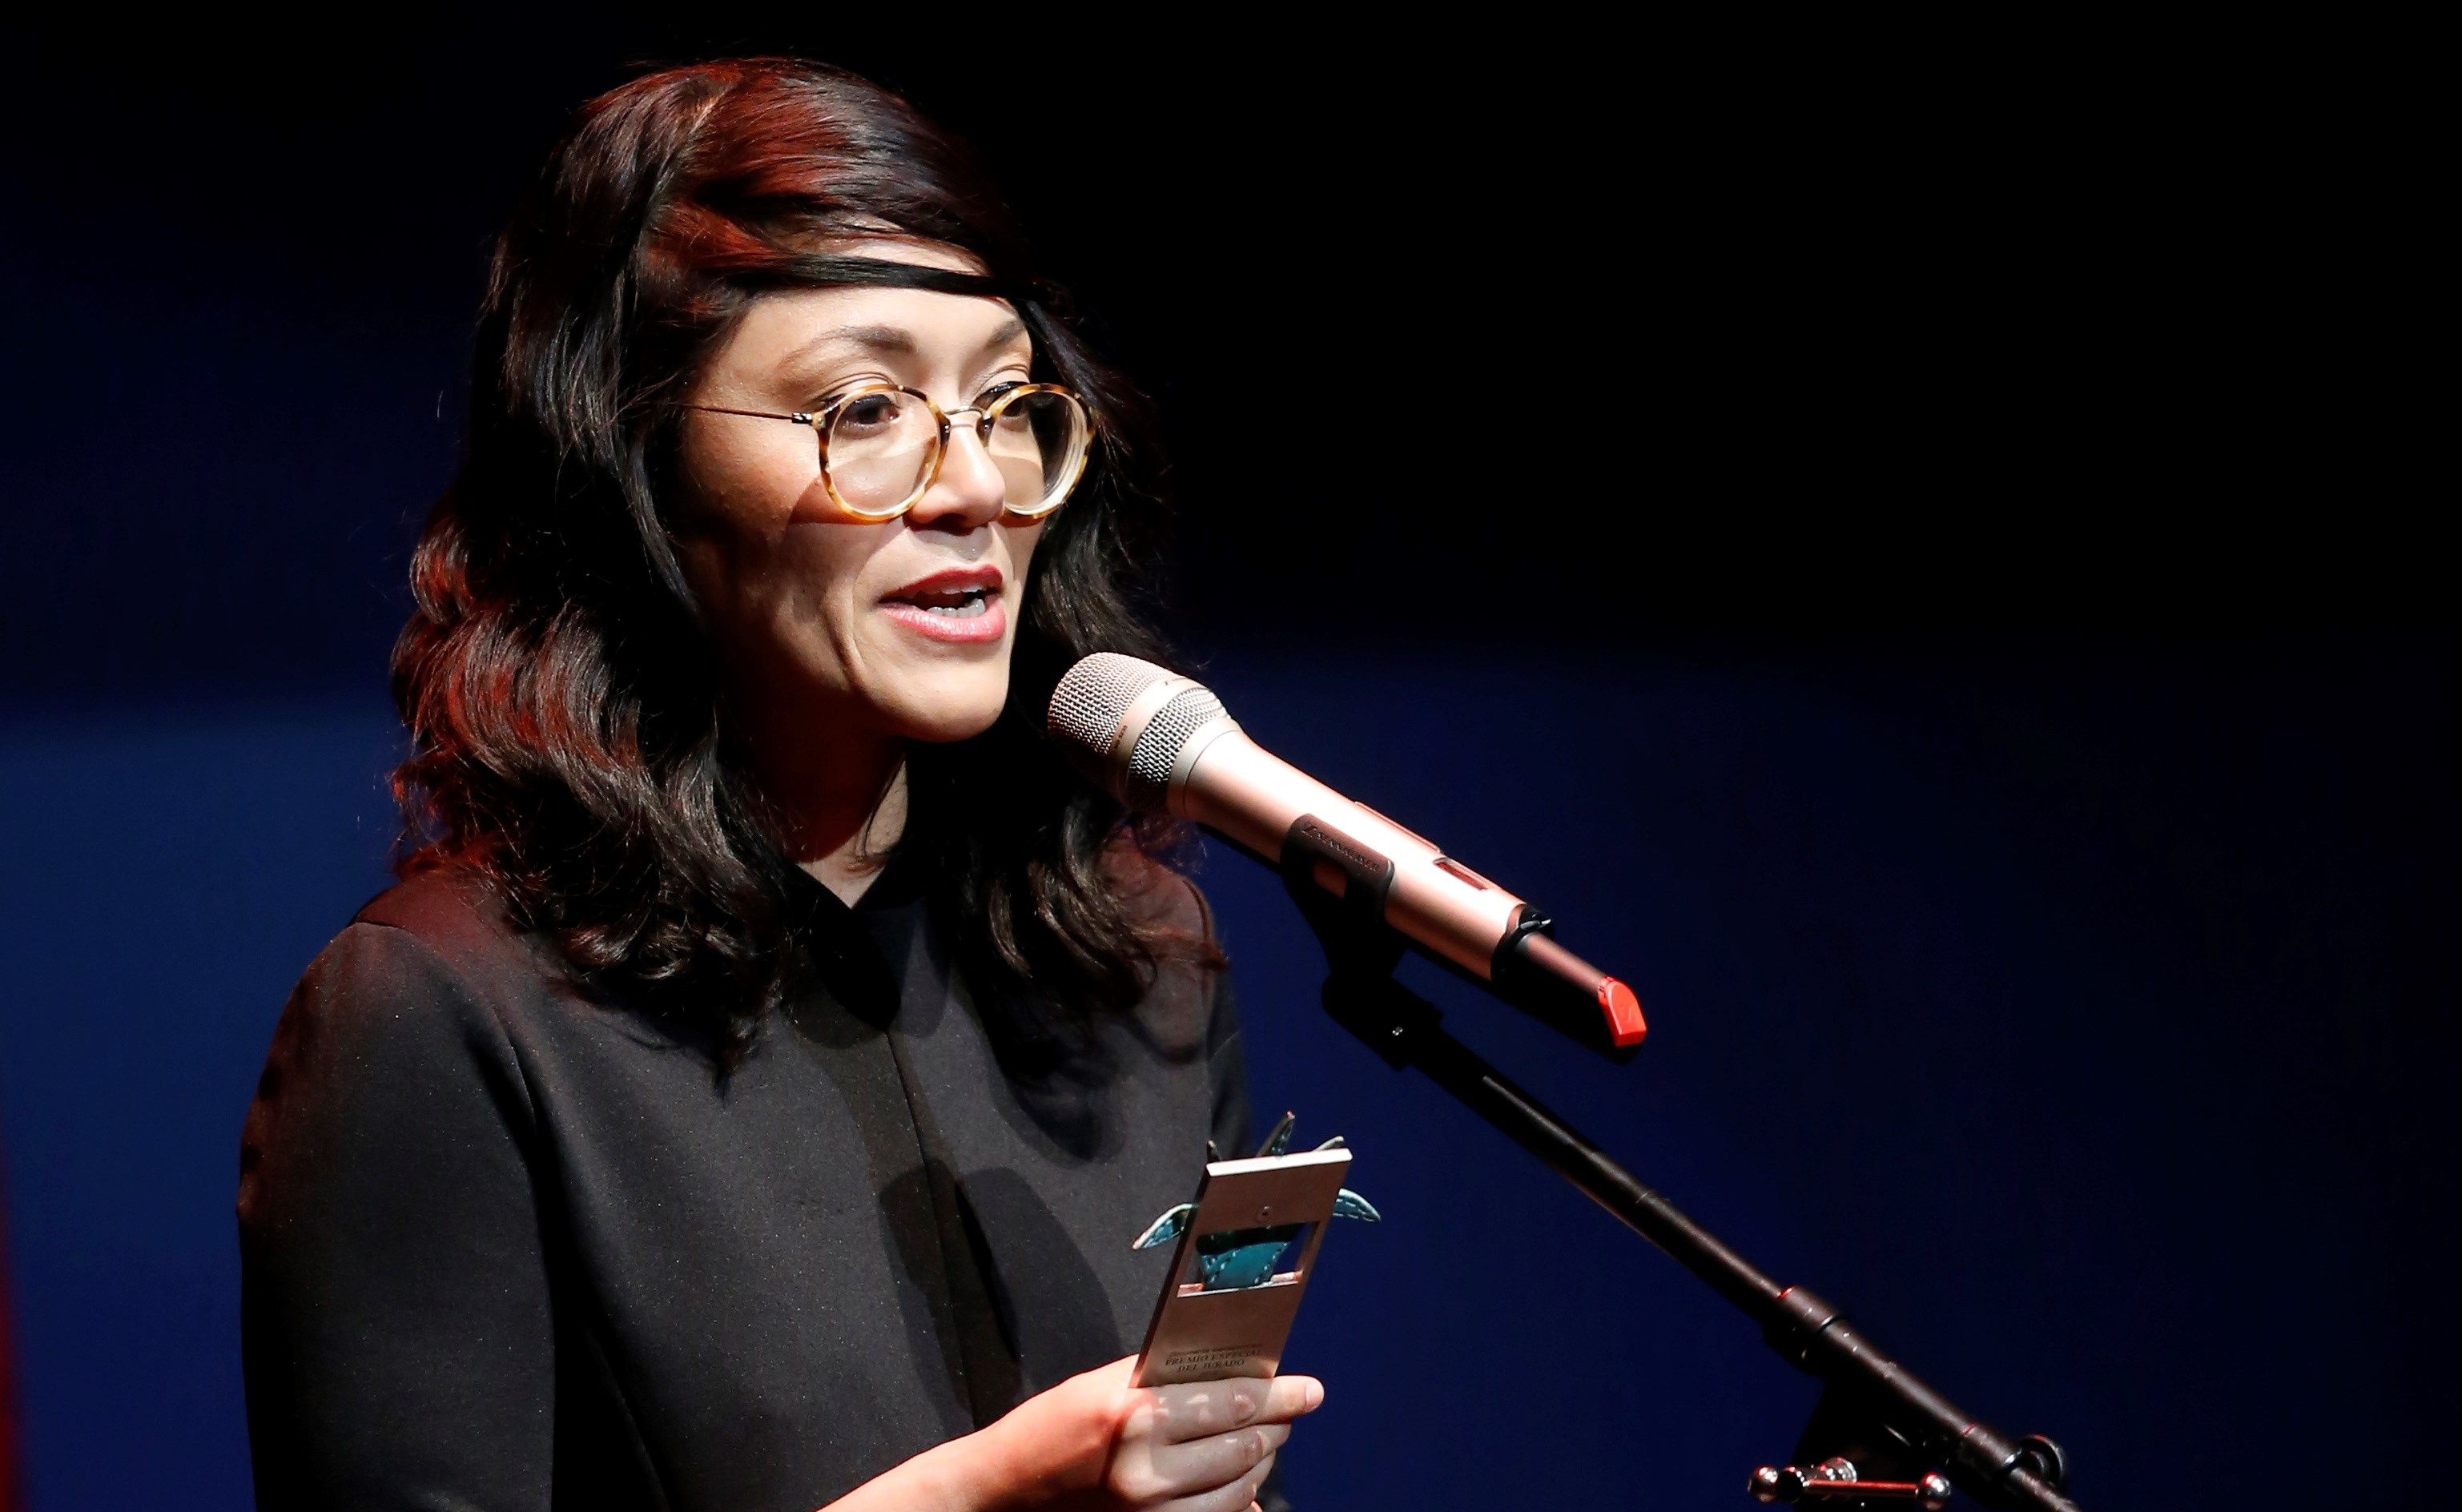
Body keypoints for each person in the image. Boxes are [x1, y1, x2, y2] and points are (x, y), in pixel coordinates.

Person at [237, 58, 1317, 1512]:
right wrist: (985, 1498)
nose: (974, 486)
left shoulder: (1135, 964)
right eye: (864, 408)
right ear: (638, 471)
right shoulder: (444, 1018)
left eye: (1004, 403)